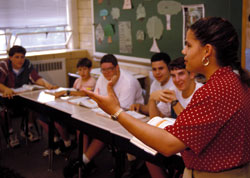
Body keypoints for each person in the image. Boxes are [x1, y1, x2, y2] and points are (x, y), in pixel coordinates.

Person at [83, 17, 250, 178]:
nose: (183, 51)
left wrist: (116, 111)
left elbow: (169, 144)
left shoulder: (215, 91)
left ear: (207, 51)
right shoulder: (232, 81)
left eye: (188, 45)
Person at [64, 54, 144, 177]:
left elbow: (121, 110)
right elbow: (98, 96)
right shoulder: (103, 77)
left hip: (130, 117)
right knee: (82, 125)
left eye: (110, 69)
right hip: (106, 113)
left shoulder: (128, 82)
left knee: (103, 132)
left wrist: (111, 86)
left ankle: (84, 161)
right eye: (103, 70)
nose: (106, 73)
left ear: (117, 68)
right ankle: (84, 160)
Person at [146, 57, 203, 178]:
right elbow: (155, 119)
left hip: (195, 146)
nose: (177, 80)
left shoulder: (202, 92)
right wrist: (151, 99)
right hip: (176, 141)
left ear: (192, 74)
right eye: (173, 76)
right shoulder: (173, 90)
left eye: (181, 74)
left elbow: (190, 125)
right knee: (149, 156)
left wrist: (174, 102)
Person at [0, 45, 57, 147]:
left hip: (21, 94)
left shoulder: (27, 64)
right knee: (4, 109)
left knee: (35, 103)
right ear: (10, 58)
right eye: (16, 57)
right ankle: (10, 133)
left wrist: (46, 84)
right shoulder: (4, 65)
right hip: (6, 95)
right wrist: (6, 89)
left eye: (22, 57)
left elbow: (36, 78)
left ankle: (28, 128)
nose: (20, 60)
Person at [40, 57, 96, 156]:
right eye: (80, 70)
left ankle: (73, 146)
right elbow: (73, 93)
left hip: (85, 111)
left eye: (85, 69)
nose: (82, 72)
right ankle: (61, 141)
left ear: (90, 69)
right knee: (51, 119)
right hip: (73, 107)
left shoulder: (92, 81)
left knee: (67, 123)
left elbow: (84, 93)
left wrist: (67, 92)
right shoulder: (78, 80)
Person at [130, 52, 175, 117]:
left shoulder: (174, 85)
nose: (157, 72)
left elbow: (159, 115)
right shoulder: (155, 83)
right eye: (154, 69)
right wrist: (140, 106)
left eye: (161, 68)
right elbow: (151, 108)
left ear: (169, 68)